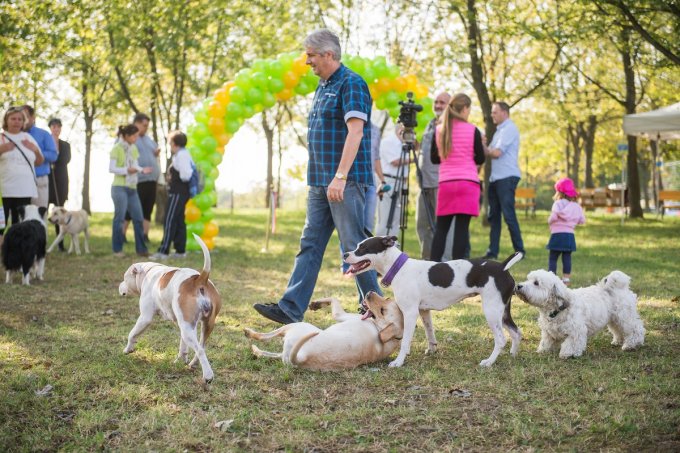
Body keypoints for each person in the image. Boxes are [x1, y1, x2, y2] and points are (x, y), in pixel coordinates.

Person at [253, 28, 382, 324]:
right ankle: (290, 308)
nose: (307, 61)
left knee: (355, 248)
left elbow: (356, 132)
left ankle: (378, 311)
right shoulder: (322, 86)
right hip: (320, 182)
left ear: (329, 54)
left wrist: (339, 176)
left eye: (311, 55)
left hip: (345, 182)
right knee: (310, 243)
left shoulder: (352, 83)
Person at [430, 93, 485, 261]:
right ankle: (458, 273)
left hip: (447, 183)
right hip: (467, 183)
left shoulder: (439, 130)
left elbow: (434, 158)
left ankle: (432, 268)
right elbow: (481, 158)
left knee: (441, 229)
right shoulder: (473, 129)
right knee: (462, 230)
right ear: (465, 108)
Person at [483, 101, 525, 259]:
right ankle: (492, 251)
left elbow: (497, 153)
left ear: (504, 113)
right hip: (496, 178)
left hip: (507, 177)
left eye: (495, 112)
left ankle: (520, 250)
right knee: (494, 216)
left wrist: (482, 147)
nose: (492, 115)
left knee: (508, 214)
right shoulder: (499, 131)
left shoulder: (509, 128)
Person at [416, 91, 453, 260]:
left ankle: (445, 264)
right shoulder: (430, 124)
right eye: (436, 102)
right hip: (424, 183)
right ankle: (428, 263)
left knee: (443, 227)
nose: (438, 105)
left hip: (442, 184)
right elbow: (423, 150)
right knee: (422, 226)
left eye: (442, 103)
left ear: (450, 106)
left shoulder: (452, 126)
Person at [109, 124, 152, 257]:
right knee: (119, 219)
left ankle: (141, 249)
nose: (136, 138)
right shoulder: (116, 148)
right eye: (134, 136)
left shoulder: (133, 148)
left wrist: (141, 170)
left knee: (138, 218)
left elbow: (135, 164)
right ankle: (117, 249)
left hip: (132, 188)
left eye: (137, 136)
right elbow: (112, 168)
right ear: (126, 136)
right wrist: (127, 171)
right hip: (119, 188)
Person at [0, 106, 43, 236]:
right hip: (4, 190)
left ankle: (17, 252)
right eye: (13, 118)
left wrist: (35, 150)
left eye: (20, 119)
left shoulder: (28, 138)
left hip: (25, 189)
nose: (16, 121)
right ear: (6, 120)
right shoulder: (1, 138)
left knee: (19, 224)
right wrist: (2, 149)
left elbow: (39, 161)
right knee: (1, 224)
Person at [150, 131, 193, 260]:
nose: (169, 144)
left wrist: (173, 177)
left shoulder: (182, 155)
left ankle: (163, 251)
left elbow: (186, 175)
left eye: (170, 142)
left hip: (178, 192)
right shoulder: (182, 154)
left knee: (169, 220)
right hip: (180, 192)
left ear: (174, 143)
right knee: (179, 220)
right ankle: (180, 251)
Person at [123, 113, 160, 243]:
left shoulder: (149, 140)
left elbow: (154, 153)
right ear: (136, 123)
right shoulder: (130, 139)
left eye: (147, 126)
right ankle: (122, 234)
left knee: (147, 209)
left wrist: (156, 154)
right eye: (144, 125)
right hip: (137, 180)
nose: (146, 128)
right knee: (130, 209)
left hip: (151, 180)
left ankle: (145, 236)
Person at [547, 177, 585, 286]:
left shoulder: (557, 204)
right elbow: (582, 220)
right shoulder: (576, 206)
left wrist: (549, 221)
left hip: (557, 235)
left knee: (553, 258)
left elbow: (553, 217)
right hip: (569, 236)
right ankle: (566, 279)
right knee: (567, 257)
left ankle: (551, 278)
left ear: (559, 192)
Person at [22, 105, 57, 219]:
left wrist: (36, 152)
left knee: (40, 217)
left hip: (39, 181)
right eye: (21, 116)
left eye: (26, 116)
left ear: (33, 117)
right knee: (21, 218)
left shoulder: (43, 134)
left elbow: (53, 155)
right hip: (19, 182)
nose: (24, 119)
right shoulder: (14, 135)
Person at [375, 125, 409, 236]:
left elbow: (417, 147)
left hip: (401, 181)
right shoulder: (388, 141)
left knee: (396, 217)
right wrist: (414, 159)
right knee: (385, 217)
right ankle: (379, 245)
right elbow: (394, 161)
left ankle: (392, 246)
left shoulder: (404, 144)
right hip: (388, 180)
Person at [48, 118, 71, 251]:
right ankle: (41, 242)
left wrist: (53, 158)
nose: (56, 129)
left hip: (61, 180)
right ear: (50, 128)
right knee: (44, 211)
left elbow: (66, 159)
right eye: (54, 126)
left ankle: (60, 244)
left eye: (58, 127)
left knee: (59, 211)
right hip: (48, 180)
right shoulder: (46, 142)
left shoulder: (65, 145)